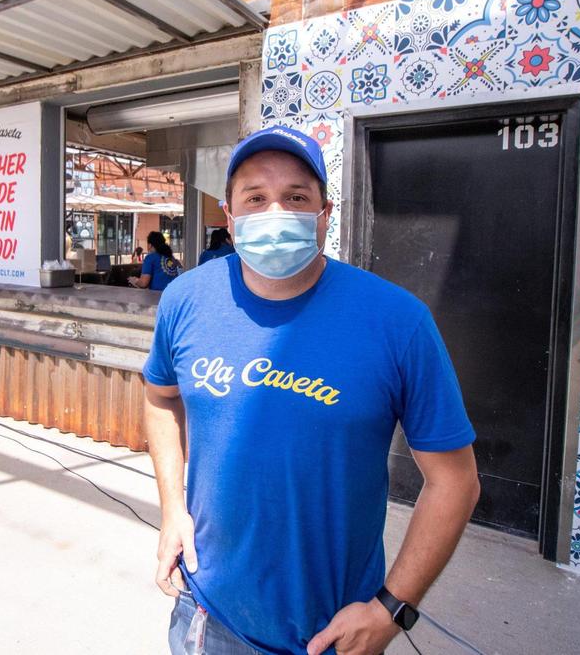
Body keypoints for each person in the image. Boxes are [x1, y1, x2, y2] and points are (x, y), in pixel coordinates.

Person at [142, 126, 480, 655]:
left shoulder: (397, 322)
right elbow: (160, 399)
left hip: (335, 633)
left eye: (296, 197)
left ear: (325, 213)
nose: (275, 212)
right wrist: (171, 511)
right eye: (255, 197)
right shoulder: (185, 299)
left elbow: (455, 482)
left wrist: (392, 608)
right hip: (206, 610)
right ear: (229, 219)